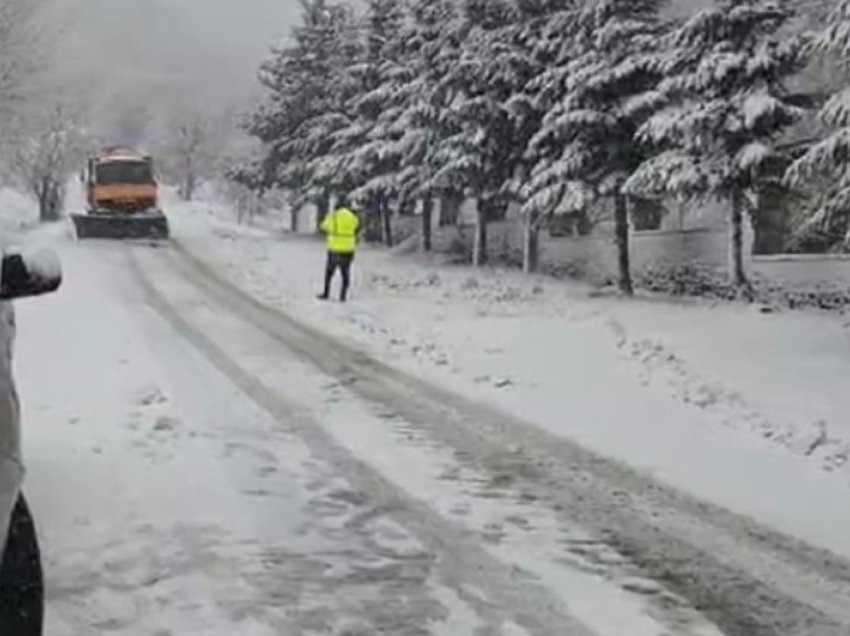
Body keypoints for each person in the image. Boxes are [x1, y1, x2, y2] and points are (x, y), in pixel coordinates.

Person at [318, 197, 360, 302]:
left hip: (334, 248)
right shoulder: (352, 216)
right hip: (348, 248)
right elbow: (357, 226)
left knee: (329, 272)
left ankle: (326, 293)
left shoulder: (333, 216)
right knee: (345, 272)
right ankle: (343, 295)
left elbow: (323, 226)